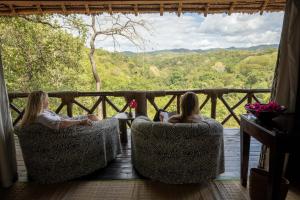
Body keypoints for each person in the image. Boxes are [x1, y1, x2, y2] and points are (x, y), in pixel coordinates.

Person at [20, 91, 100, 130]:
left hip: (69, 121)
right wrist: (80, 121)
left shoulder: (43, 112)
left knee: (92, 116)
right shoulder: (41, 116)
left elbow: (60, 120)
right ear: (40, 102)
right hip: (71, 127)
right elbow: (60, 124)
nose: (48, 102)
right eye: (46, 100)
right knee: (92, 118)